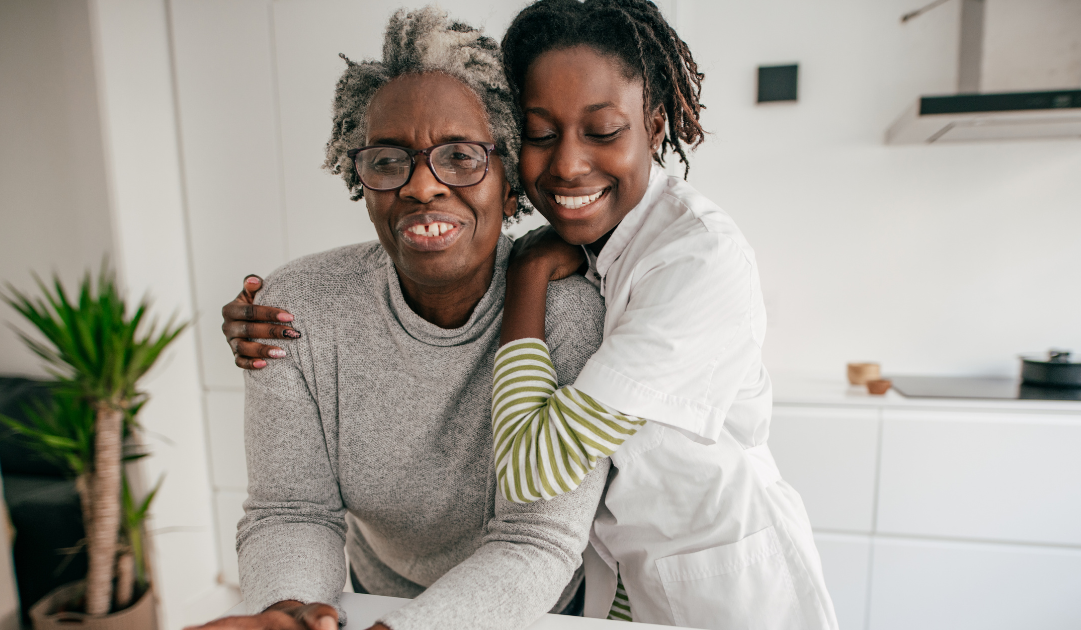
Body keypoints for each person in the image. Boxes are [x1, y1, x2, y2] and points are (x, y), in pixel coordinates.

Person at [197, 8, 609, 630]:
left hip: (530, 610)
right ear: (359, 178)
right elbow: (291, 510)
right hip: (373, 596)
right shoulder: (297, 309)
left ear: (508, 175)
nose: (421, 187)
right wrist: (289, 612)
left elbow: (536, 539)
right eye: (389, 160)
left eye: (461, 156)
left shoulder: (571, 314)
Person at [488, 1, 839, 628]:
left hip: (725, 594)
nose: (567, 163)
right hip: (627, 585)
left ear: (654, 128)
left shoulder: (696, 258)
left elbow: (533, 464)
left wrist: (527, 275)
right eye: (541, 134)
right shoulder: (597, 243)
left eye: (602, 132)